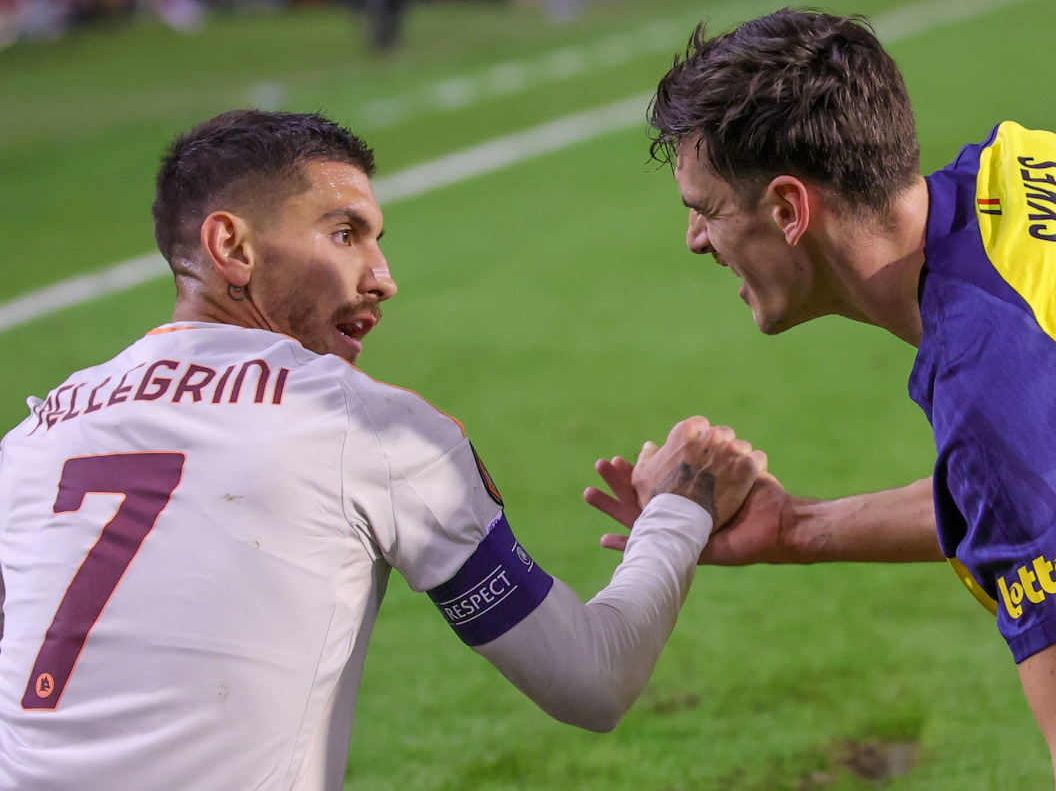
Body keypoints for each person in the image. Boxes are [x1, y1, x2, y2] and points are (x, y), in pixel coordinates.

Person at [0, 109, 767, 790]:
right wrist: (679, 508)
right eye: (344, 234)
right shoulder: (365, 427)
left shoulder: (30, 441)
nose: (384, 279)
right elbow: (592, 681)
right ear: (230, 246)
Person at [583, 9, 1056, 791]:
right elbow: (1055, 488)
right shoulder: (1032, 169)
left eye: (706, 209)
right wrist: (799, 529)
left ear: (787, 210)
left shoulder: (1000, 383)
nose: (696, 240)